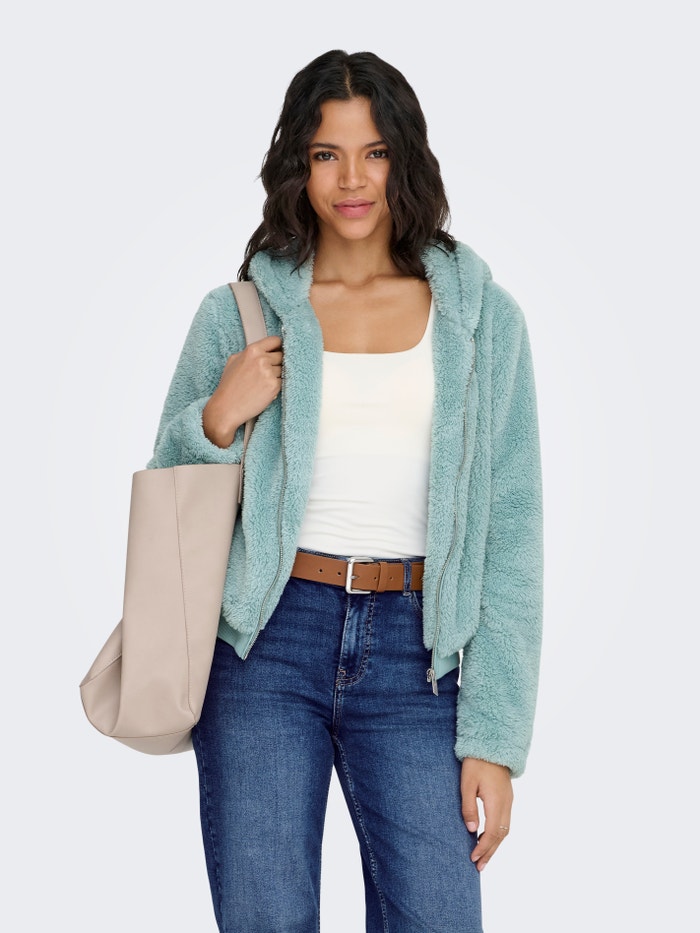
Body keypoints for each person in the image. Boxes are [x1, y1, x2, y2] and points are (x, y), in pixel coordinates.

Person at [148, 49, 543, 933]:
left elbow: (513, 535)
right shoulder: (239, 315)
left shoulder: (482, 320)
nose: (353, 180)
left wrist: (495, 736)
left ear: (406, 159)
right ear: (299, 164)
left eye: (375, 153)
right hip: (265, 641)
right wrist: (216, 420)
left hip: (419, 655)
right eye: (327, 154)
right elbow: (169, 497)